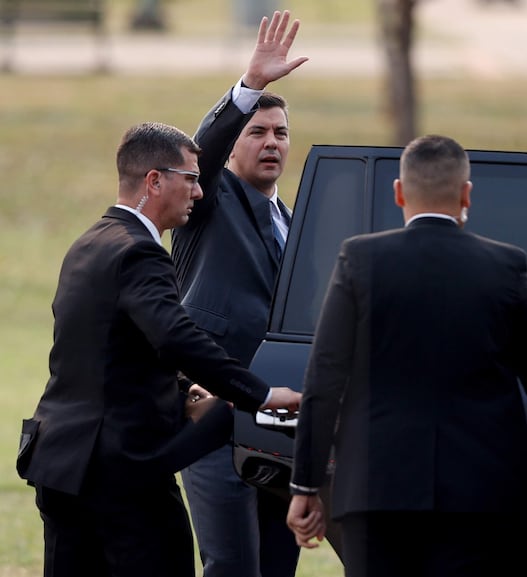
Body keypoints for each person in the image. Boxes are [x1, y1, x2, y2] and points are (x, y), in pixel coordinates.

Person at [285, 134, 527, 577]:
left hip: (378, 492)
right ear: (466, 195)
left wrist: (305, 484)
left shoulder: (359, 259)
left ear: (399, 192)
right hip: (482, 494)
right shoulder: (505, 265)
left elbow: (323, 380)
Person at [15, 121, 302, 577]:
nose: (200, 191)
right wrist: (261, 395)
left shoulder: (89, 243)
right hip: (121, 477)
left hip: (62, 466)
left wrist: (185, 390)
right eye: (191, 178)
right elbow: (175, 336)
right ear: (154, 180)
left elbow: (116, 350)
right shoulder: (139, 252)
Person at [170, 10, 308, 577]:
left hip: (281, 422)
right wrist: (250, 90)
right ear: (232, 149)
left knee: (278, 564)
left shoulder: (294, 219)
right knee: (232, 565)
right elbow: (203, 145)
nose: (270, 142)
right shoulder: (209, 200)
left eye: (280, 133)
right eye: (258, 132)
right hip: (212, 412)